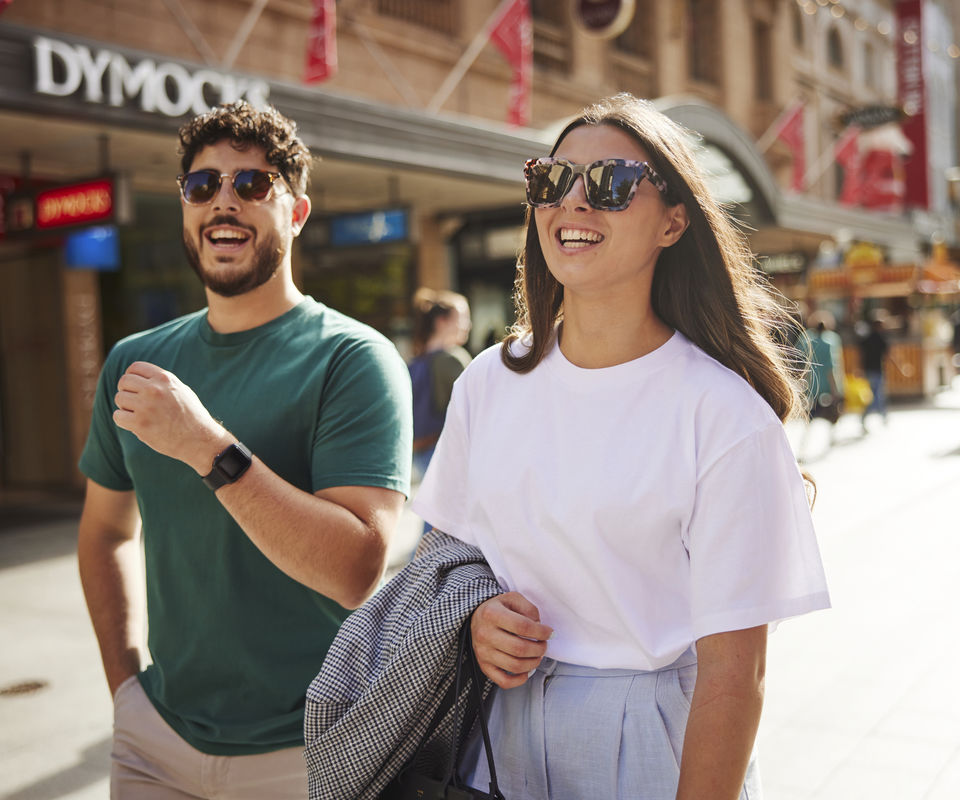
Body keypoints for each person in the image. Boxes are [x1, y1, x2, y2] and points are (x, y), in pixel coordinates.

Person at [413, 94, 830, 800]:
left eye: (609, 182)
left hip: (652, 738)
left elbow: (735, 672)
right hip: (495, 727)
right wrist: (477, 615)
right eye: (551, 179)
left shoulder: (722, 413)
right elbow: (442, 555)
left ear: (673, 221)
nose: (572, 204)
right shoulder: (490, 379)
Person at [77, 101, 412, 799]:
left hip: (309, 748)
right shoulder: (134, 363)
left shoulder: (353, 359)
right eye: (202, 187)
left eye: (252, 185)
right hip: (156, 742)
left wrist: (206, 446)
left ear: (296, 212)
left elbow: (357, 569)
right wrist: (126, 689)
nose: (223, 201)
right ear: (184, 210)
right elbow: (105, 532)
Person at [408, 288, 472, 481]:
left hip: (419, 453)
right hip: (448, 452)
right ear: (441, 322)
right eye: (462, 318)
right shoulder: (453, 359)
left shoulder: (413, 363)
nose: (468, 325)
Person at [798, 309, 846, 443]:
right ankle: (833, 438)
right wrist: (836, 388)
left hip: (812, 382)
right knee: (832, 412)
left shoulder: (807, 339)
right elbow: (831, 367)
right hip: (826, 384)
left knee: (810, 415)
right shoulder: (830, 341)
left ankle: (804, 441)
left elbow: (801, 361)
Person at [859, 315, 891, 430]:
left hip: (868, 369)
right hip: (877, 369)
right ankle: (880, 416)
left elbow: (861, 353)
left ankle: (876, 416)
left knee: (872, 395)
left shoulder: (867, 338)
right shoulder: (881, 339)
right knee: (877, 395)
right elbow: (887, 354)